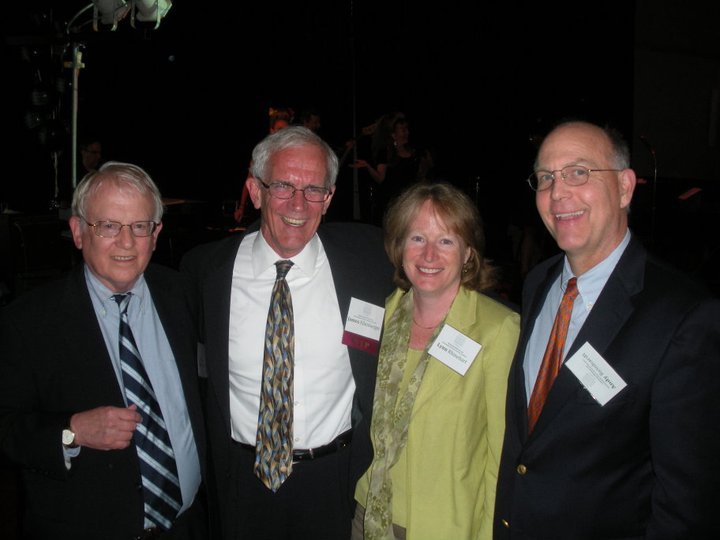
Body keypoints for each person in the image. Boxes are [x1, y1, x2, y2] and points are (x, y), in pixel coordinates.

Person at [494, 120, 720, 538]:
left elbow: (686, 504)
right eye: (546, 178)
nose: (558, 192)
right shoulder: (538, 283)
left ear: (624, 187)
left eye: (578, 172)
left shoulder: (684, 316)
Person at [180, 126, 395, 540]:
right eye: (282, 185)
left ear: (329, 198)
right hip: (241, 480)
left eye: (314, 189)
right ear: (255, 191)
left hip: (334, 480)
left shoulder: (369, 257)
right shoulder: (204, 272)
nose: (298, 203)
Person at [0, 162, 208, 540]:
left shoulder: (183, 295)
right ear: (78, 231)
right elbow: (7, 427)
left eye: (139, 226)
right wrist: (71, 430)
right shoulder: (28, 322)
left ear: (156, 233)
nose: (127, 243)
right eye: (109, 226)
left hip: (188, 525)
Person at [352, 182, 520, 540]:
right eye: (416, 238)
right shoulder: (377, 316)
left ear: (469, 253)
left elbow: (502, 454)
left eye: (445, 240)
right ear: (398, 248)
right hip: (368, 516)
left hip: (447, 526)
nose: (429, 255)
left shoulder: (497, 329)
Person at [233, 107, 294, 224]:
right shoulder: (261, 153)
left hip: (281, 208)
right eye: (279, 129)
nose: (282, 134)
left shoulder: (292, 155)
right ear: (272, 130)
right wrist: (241, 207)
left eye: (286, 131)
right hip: (260, 208)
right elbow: (249, 180)